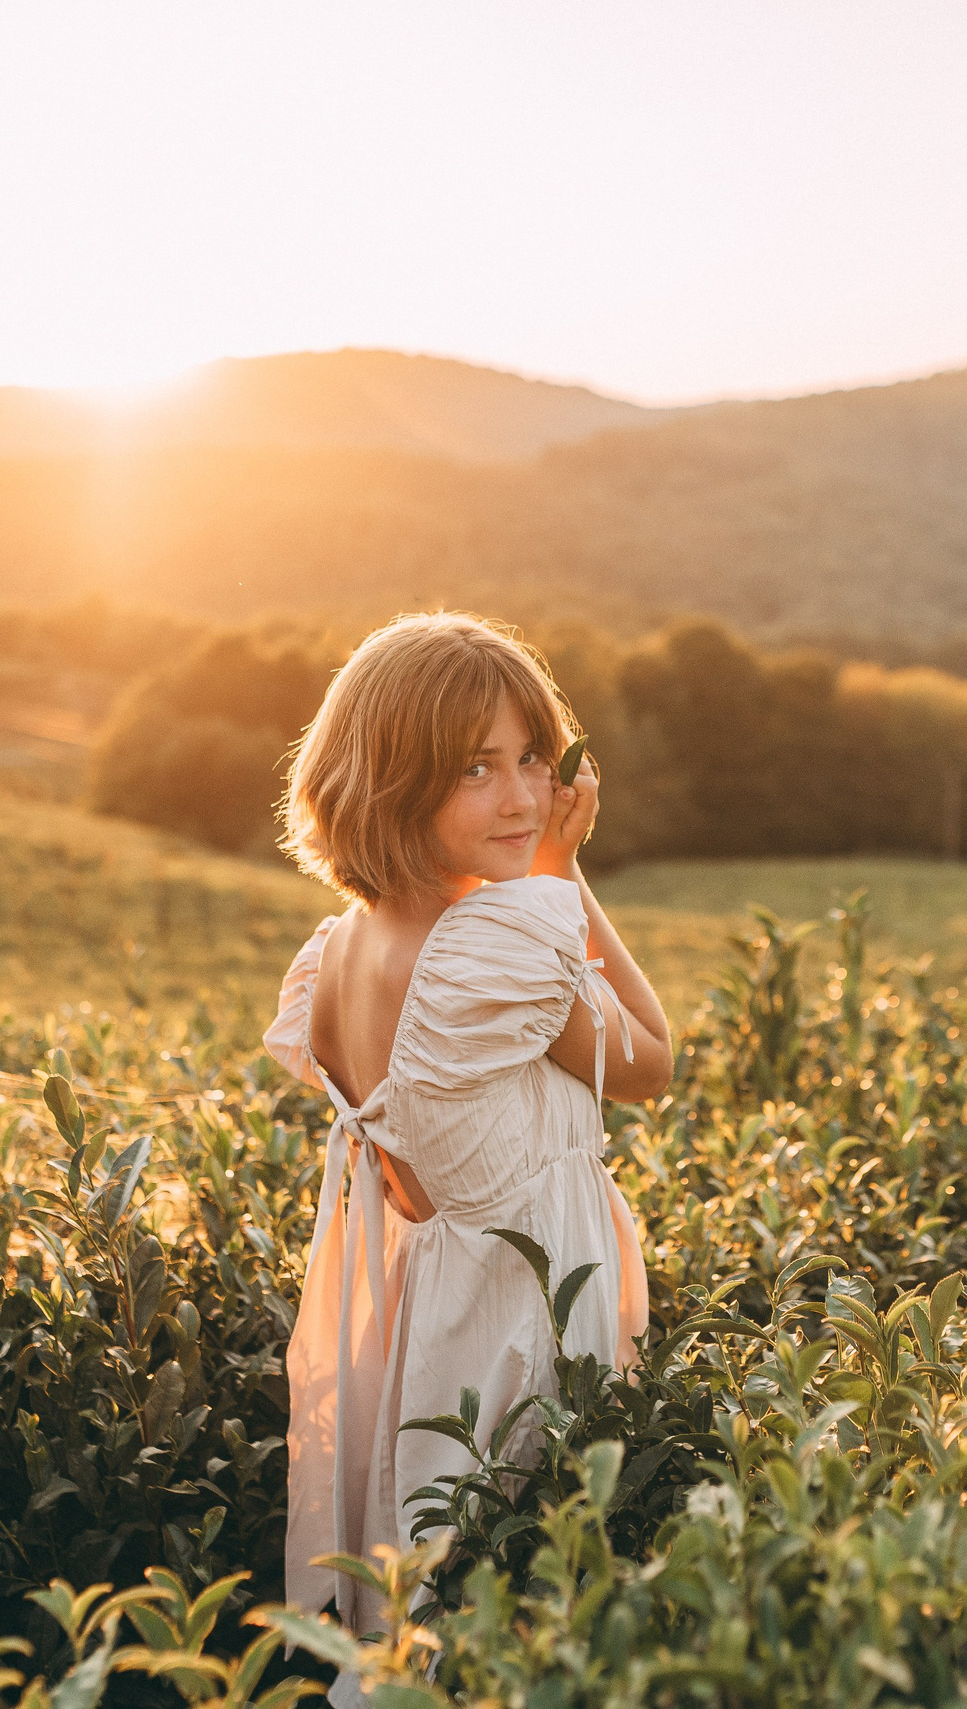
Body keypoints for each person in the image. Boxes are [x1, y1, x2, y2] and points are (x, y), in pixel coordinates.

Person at [263, 612, 671, 1696]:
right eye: (473, 769)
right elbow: (652, 1058)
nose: (522, 796)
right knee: (517, 1598)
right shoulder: (493, 949)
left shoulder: (339, 946)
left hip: (426, 1312)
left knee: (426, 1593)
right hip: (519, 1314)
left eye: (532, 758)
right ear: (388, 781)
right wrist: (563, 874)